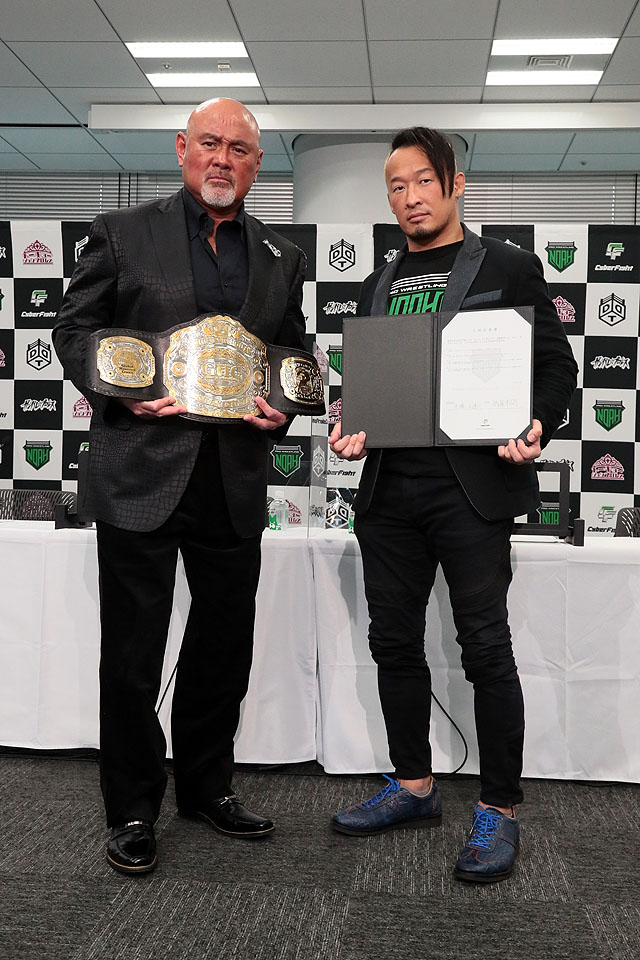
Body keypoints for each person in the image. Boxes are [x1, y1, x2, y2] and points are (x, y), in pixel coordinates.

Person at [53, 98, 308, 875]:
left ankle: (206, 786)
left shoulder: (280, 254)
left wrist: (284, 405)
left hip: (233, 477)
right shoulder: (121, 231)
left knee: (223, 648)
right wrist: (122, 385)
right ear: (181, 149)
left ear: (257, 164)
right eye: (209, 143)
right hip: (141, 471)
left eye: (239, 148)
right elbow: (74, 330)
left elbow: (290, 352)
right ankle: (133, 807)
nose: (222, 158)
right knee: (134, 654)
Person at [329, 126, 577, 883]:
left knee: (485, 648)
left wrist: (537, 423)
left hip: (472, 489)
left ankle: (499, 807)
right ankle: (413, 785)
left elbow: (555, 368)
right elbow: (370, 385)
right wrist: (349, 427)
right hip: (388, 492)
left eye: (422, 182)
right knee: (393, 644)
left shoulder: (507, 265)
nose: (410, 197)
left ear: (455, 183)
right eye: (396, 187)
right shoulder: (378, 283)